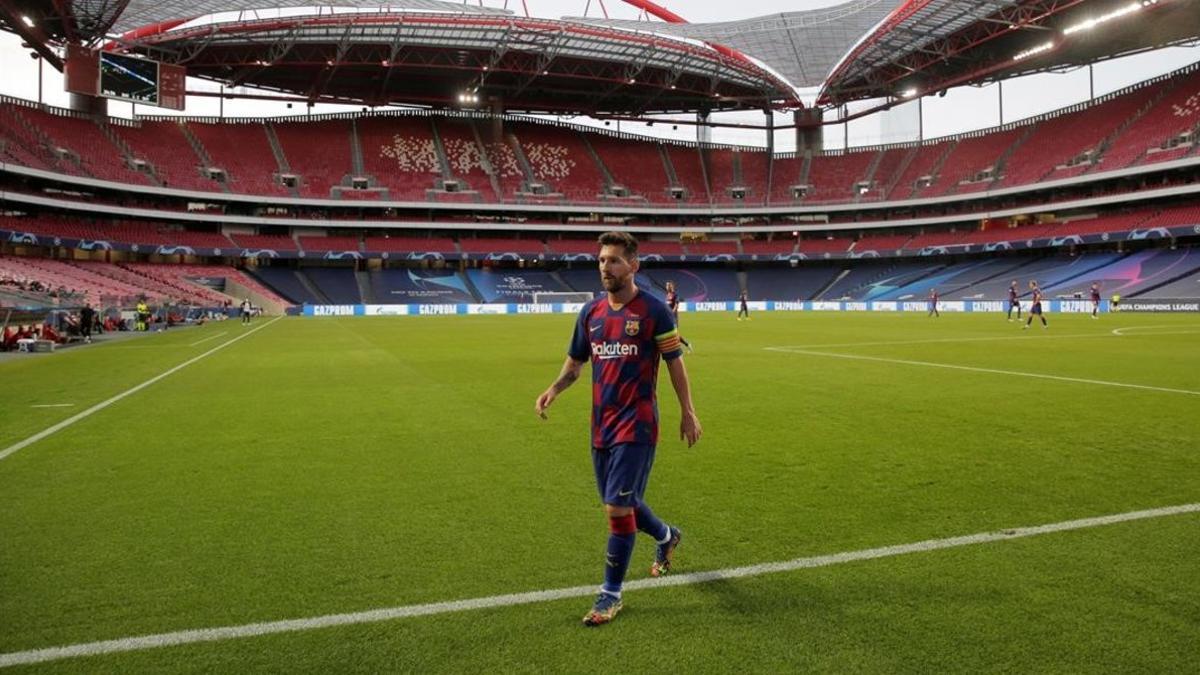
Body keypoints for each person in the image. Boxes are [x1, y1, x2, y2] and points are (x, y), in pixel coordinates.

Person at [535, 231, 702, 627]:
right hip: (601, 427)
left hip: (638, 424)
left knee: (616, 508)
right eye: (601, 260)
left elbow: (675, 362)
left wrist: (687, 411)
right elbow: (576, 363)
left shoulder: (654, 311)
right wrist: (553, 389)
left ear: (633, 266)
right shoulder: (590, 314)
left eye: (613, 260)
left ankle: (610, 593)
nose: (604, 267)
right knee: (622, 502)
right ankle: (666, 536)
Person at [664, 281, 693, 353]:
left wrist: (672, 312)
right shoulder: (667, 294)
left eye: (668, 286)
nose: (666, 287)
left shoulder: (675, 295)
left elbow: (676, 305)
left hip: (673, 317)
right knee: (670, 333)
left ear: (671, 286)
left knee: (674, 333)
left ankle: (684, 346)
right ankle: (686, 345)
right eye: (666, 286)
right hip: (668, 316)